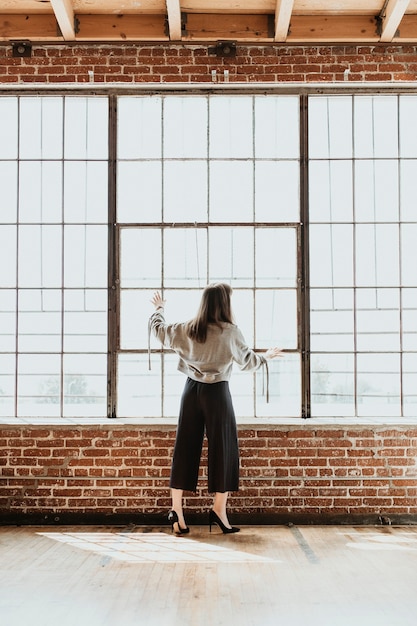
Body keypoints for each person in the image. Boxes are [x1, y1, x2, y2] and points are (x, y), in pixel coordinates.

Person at [149, 283, 283, 535]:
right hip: (218, 393)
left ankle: (177, 512)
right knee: (224, 449)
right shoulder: (230, 332)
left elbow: (159, 330)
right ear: (225, 304)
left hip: (191, 392)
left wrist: (159, 309)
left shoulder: (187, 329)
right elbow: (248, 361)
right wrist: (267, 356)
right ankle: (219, 509)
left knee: (185, 448)